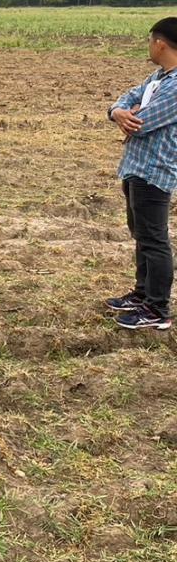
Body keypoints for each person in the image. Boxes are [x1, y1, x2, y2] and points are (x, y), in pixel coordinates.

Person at [106, 17, 177, 330]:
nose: (149, 46)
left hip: (154, 170)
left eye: (150, 41)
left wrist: (129, 116)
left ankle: (157, 309)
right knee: (142, 236)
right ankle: (142, 294)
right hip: (136, 166)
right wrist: (118, 112)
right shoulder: (159, 78)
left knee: (154, 239)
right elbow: (128, 101)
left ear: (160, 43)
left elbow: (143, 120)